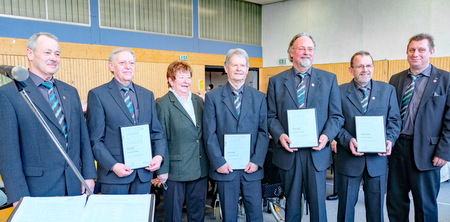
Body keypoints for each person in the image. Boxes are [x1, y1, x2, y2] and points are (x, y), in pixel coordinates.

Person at [0, 32, 97, 206]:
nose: (54, 58)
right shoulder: (10, 94)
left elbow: (83, 138)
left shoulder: (70, 92)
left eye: (57, 54)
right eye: (47, 52)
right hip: (36, 190)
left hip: (74, 185)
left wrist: (89, 175)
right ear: (30, 54)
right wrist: (18, 196)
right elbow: (8, 153)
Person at [267, 33, 344, 221]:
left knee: (318, 206)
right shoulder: (276, 81)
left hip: (317, 153)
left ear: (314, 53)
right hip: (289, 153)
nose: (306, 52)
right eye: (301, 48)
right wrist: (280, 135)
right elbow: (270, 116)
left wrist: (326, 136)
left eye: (310, 49)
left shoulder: (329, 79)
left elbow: (336, 116)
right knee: (292, 205)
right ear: (292, 52)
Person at [387, 33, 450, 222]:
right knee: (395, 202)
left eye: (421, 50)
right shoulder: (396, 79)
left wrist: (444, 151)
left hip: (428, 152)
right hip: (397, 149)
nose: (416, 54)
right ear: (407, 52)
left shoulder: (446, 79)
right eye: (412, 50)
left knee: (425, 205)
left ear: (431, 52)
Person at [86, 48, 165, 194]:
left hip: (143, 174)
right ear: (111, 66)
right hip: (114, 177)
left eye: (131, 63)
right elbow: (95, 140)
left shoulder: (147, 95)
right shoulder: (98, 95)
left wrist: (159, 156)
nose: (128, 66)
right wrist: (113, 165)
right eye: (122, 62)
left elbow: (157, 132)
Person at [203, 48, 269, 222]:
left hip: (251, 168)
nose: (239, 69)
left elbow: (263, 132)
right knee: (229, 217)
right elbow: (209, 133)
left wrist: (257, 160)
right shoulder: (213, 97)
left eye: (242, 65)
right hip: (226, 168)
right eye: (234, 65)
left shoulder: (260, 97)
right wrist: (219, 162)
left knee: (255, 216)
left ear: (247, 69)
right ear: (226, 68)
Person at [335, 51, 401, 222]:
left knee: (376, 211)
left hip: (377, 161)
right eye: (360, 66)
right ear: (351, 70)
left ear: (373, 67)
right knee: (345, 210)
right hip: (349, 160)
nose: (365, 69)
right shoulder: (338, 92)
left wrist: (389, 140)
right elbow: (335, 122)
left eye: (368, 65)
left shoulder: (388, 90)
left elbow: (394, 121)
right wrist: (347, 140)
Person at [156, 60, 209, 221]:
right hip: (174, 170)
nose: (186, 81)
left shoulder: (198, 101)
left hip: (199, 167)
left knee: (198, 213)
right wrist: (162, 170)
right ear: (170, 80)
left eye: (188, 77)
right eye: (181, 77)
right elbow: (160, 138)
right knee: (173, 215)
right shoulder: (163, 104)